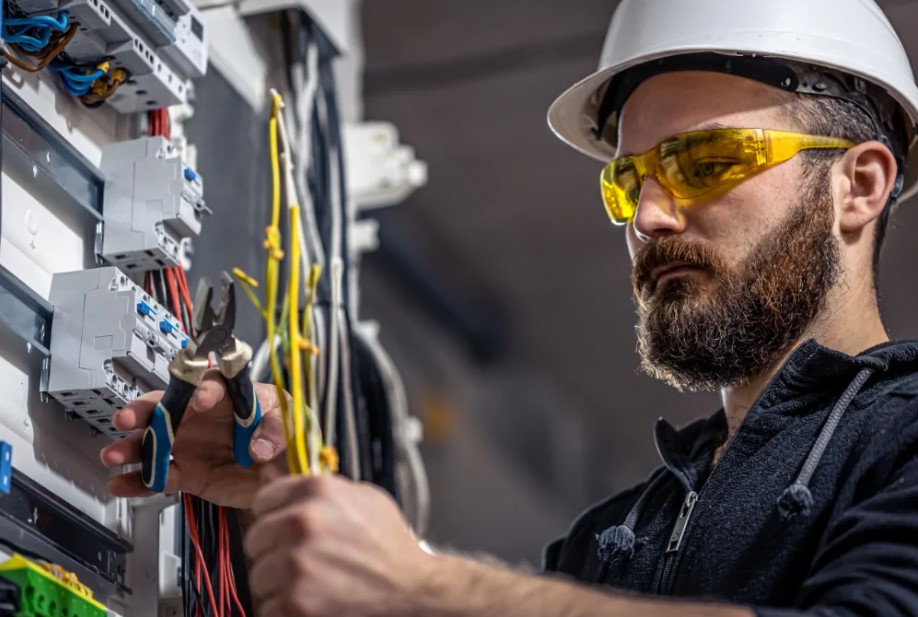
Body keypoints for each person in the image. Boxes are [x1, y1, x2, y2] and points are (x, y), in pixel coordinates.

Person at [101, 0, 918, 615]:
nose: (648, 217)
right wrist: (294, 503)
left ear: (859, 185)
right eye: (628, 181)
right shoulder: (613, 540)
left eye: (706, 162)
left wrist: (420, 584)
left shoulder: (902, 441)